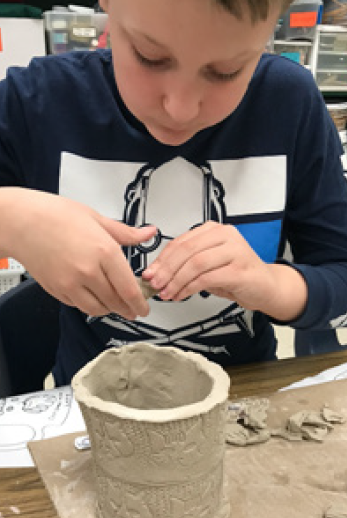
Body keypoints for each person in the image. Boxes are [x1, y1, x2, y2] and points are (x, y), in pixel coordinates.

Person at [1, 0, 347, 386]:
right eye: (150, 57)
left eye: (226, 71)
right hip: (91, 402)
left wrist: (270, 285)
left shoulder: (289, 103)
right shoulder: (38, 100)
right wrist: (11, 217)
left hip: (241, 395)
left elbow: (340, 275)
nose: (180, 109)